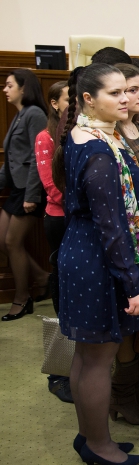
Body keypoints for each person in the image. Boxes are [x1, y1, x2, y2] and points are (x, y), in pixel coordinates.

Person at [52, 63, 139, 465]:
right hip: (97, 257)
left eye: (126, 91)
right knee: (96, 359)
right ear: (88, 99)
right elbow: (111, 228)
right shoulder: (98, 149)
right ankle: (98, 443)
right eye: (114, 94)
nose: (125, 99)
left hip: (82, 249)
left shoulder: (87, 134)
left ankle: (90, 434)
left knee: (86, 356)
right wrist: (132, 285)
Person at [1, 69, 49, 321]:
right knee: (3, 241)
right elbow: (11, 158)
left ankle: (21, 298)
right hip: (16, 188)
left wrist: (32, 195)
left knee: (12, 242)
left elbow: (36, 157)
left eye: (10, 85)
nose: (5, 89)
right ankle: (41, 276)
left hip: (28, 191)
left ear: (23, 88)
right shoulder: (20, 114)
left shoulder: (35, 114)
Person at [35, 80, 71, 402]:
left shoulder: (77, 135)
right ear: (55, 104)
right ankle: (60, 372)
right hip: (60, 220)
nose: (73, 104)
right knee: (61, 293)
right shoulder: (46, 137)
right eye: (67, 99)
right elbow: (51, 185)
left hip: (79, 219)